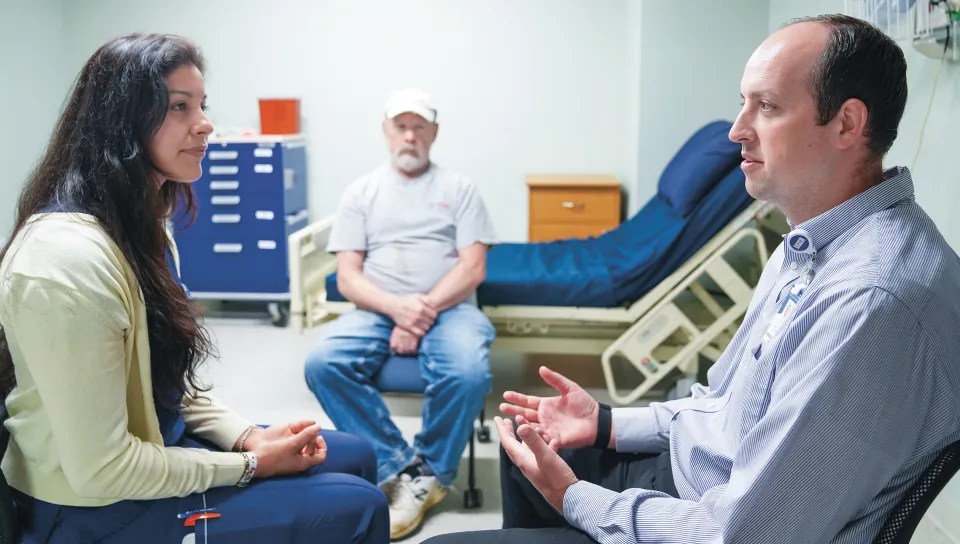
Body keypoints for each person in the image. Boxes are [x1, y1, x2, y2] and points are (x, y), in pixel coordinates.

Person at [424, 13, 960, 544]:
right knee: (530, 449)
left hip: (710, 518)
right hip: (693, 478)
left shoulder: (871, 301)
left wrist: (575, 498)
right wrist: (607, 423)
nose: (736, 131)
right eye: (742, 102)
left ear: (846, 123)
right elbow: (722, 405)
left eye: (767, 106)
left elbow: (744, 536)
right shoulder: (808, 246)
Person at [0, 33, 388, 543]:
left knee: (356, 455)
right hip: (89, 508)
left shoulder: (142, 230)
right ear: (122, 122)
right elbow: (101, 470)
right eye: (179, 107)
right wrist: (250, 465)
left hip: (152, 453)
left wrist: (249, 436)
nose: (205, 124)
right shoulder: (63, 263)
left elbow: (166, 389)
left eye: (201, 105)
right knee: (359, 509)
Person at [303, 88, 498, 540]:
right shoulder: (362, 192)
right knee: (323, 364)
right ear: (387, 132)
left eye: (419, 127)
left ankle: (429, 472)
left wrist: (420, 312)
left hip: (449, 309)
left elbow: (473, 266)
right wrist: (396, 309)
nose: (409, 136)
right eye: (401, 126)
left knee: (468, 372)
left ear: (434, 133)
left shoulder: (459, 189)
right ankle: (399, 466)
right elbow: (349, 278)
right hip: (377, 307)